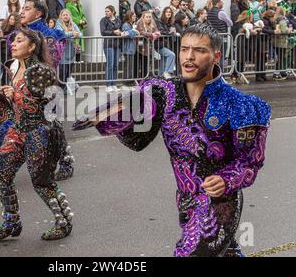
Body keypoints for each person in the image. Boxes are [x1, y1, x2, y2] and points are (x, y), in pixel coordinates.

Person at [73, 24, 271, 257]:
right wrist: (113, 118)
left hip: (220, 204)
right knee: (226, 252)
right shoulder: (163, 92)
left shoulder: (243, 106)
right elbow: (138, 139)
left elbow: (249, 162)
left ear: (216, 55)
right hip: (185, 200)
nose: (189, 56)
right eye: (184, 49)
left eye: (199, 50)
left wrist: (226, 180)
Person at [0, 0, 75, 184]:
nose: (22, 11)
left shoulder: (46, 33)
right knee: (7, 129)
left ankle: (65, 163)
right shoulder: (21, 32)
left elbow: (53, 57)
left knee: (52, 128)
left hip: (42, 91)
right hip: (23, 92)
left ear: (38, 13)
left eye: (27, 8)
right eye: (22, 8)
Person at [0, 28, 74, 240]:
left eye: (19, 41)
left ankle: (64, 222)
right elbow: (18, 104)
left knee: (42, 182)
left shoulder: (40, 71)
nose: (13, 44)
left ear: (32, 46)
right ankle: (11, 222)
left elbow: (48, 104)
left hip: (40, 131)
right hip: (19, 130)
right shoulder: (15, 68)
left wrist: (15, 95)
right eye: (13, 40)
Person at [137, 11, 176, 78]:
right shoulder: (140, 23)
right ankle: (166, 72)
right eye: (147, 17)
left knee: (163, 58)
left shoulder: (153, 22)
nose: (148, 18)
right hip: (142, 46)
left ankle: (162, 75)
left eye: (150, 17)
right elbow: (142, 32)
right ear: (143, 17)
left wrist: (157, 33)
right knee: (142, 64)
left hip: (153, 45)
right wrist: (151, 34)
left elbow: (157, 31)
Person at [55, 9, 82, 92]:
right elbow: (61, 34)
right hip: (62, 53)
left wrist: (75, 34)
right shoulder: (58, 24)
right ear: (61, 16)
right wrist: (72, 33)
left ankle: (65, 89)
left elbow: (80, 34)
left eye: (67, 15)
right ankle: (61, 90)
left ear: (69, 16)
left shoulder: (73, 24)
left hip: (71, 52)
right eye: (64, 15)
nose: (65, 16)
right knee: (62, 73)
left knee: (68, 74)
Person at [100, 5, 122, 92]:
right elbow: (103, 32)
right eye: (105, 11)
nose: (106, 13)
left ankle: (114, 84)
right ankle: (108, 84)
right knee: (110, 64)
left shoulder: (118, 20)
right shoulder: (103, 20)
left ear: (112, 11)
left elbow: (119, 29)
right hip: (108, 44)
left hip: (117, 44)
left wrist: (119, 32)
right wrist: (113, 32)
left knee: (115, 65)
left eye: (108, 11)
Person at [121, 10, 140, 84]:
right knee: (128, 66)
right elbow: (131, 35)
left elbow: (135, 34)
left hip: (132, 48)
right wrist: (134, 30)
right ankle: (126, 81)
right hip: (128, 48)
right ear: (129, 16)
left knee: (130, 66)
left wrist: (134, 31)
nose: (135, 17)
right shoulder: (126, 25)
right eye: (133, 16)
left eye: (135, 16)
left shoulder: (131, 25)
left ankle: (129, 81)